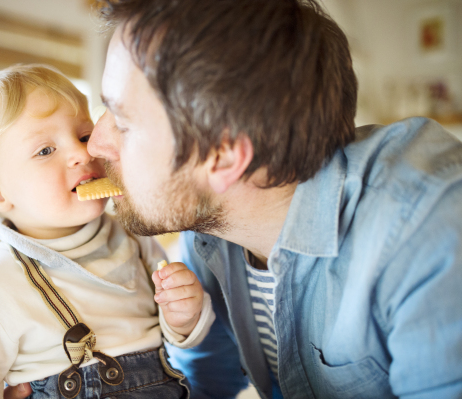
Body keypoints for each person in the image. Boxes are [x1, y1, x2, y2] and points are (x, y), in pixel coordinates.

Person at [79, 0, 460, 398]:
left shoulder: (430, 228)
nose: (96, 146)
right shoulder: (209, 228)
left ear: (223, 156)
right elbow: (202, 387)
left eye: (121, 122)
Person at [0, 64, 216, 399]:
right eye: (45, 150)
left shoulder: (135, 240)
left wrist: (184, 317)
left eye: (84, 136)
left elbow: (174, 337)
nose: (82, 153)